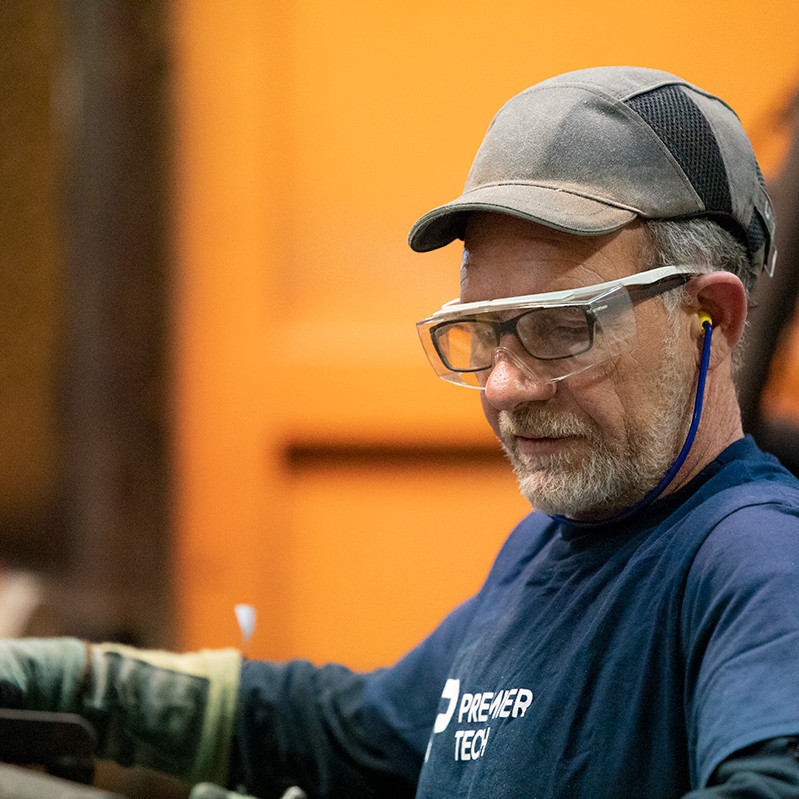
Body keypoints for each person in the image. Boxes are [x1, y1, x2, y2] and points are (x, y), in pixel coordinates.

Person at [2, 66, 799, 799]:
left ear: (710, 316)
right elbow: (358, 731)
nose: (504, 385)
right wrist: (74, 688)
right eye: (484, 332)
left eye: (561, 329)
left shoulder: (753, 562)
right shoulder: (544, 556)